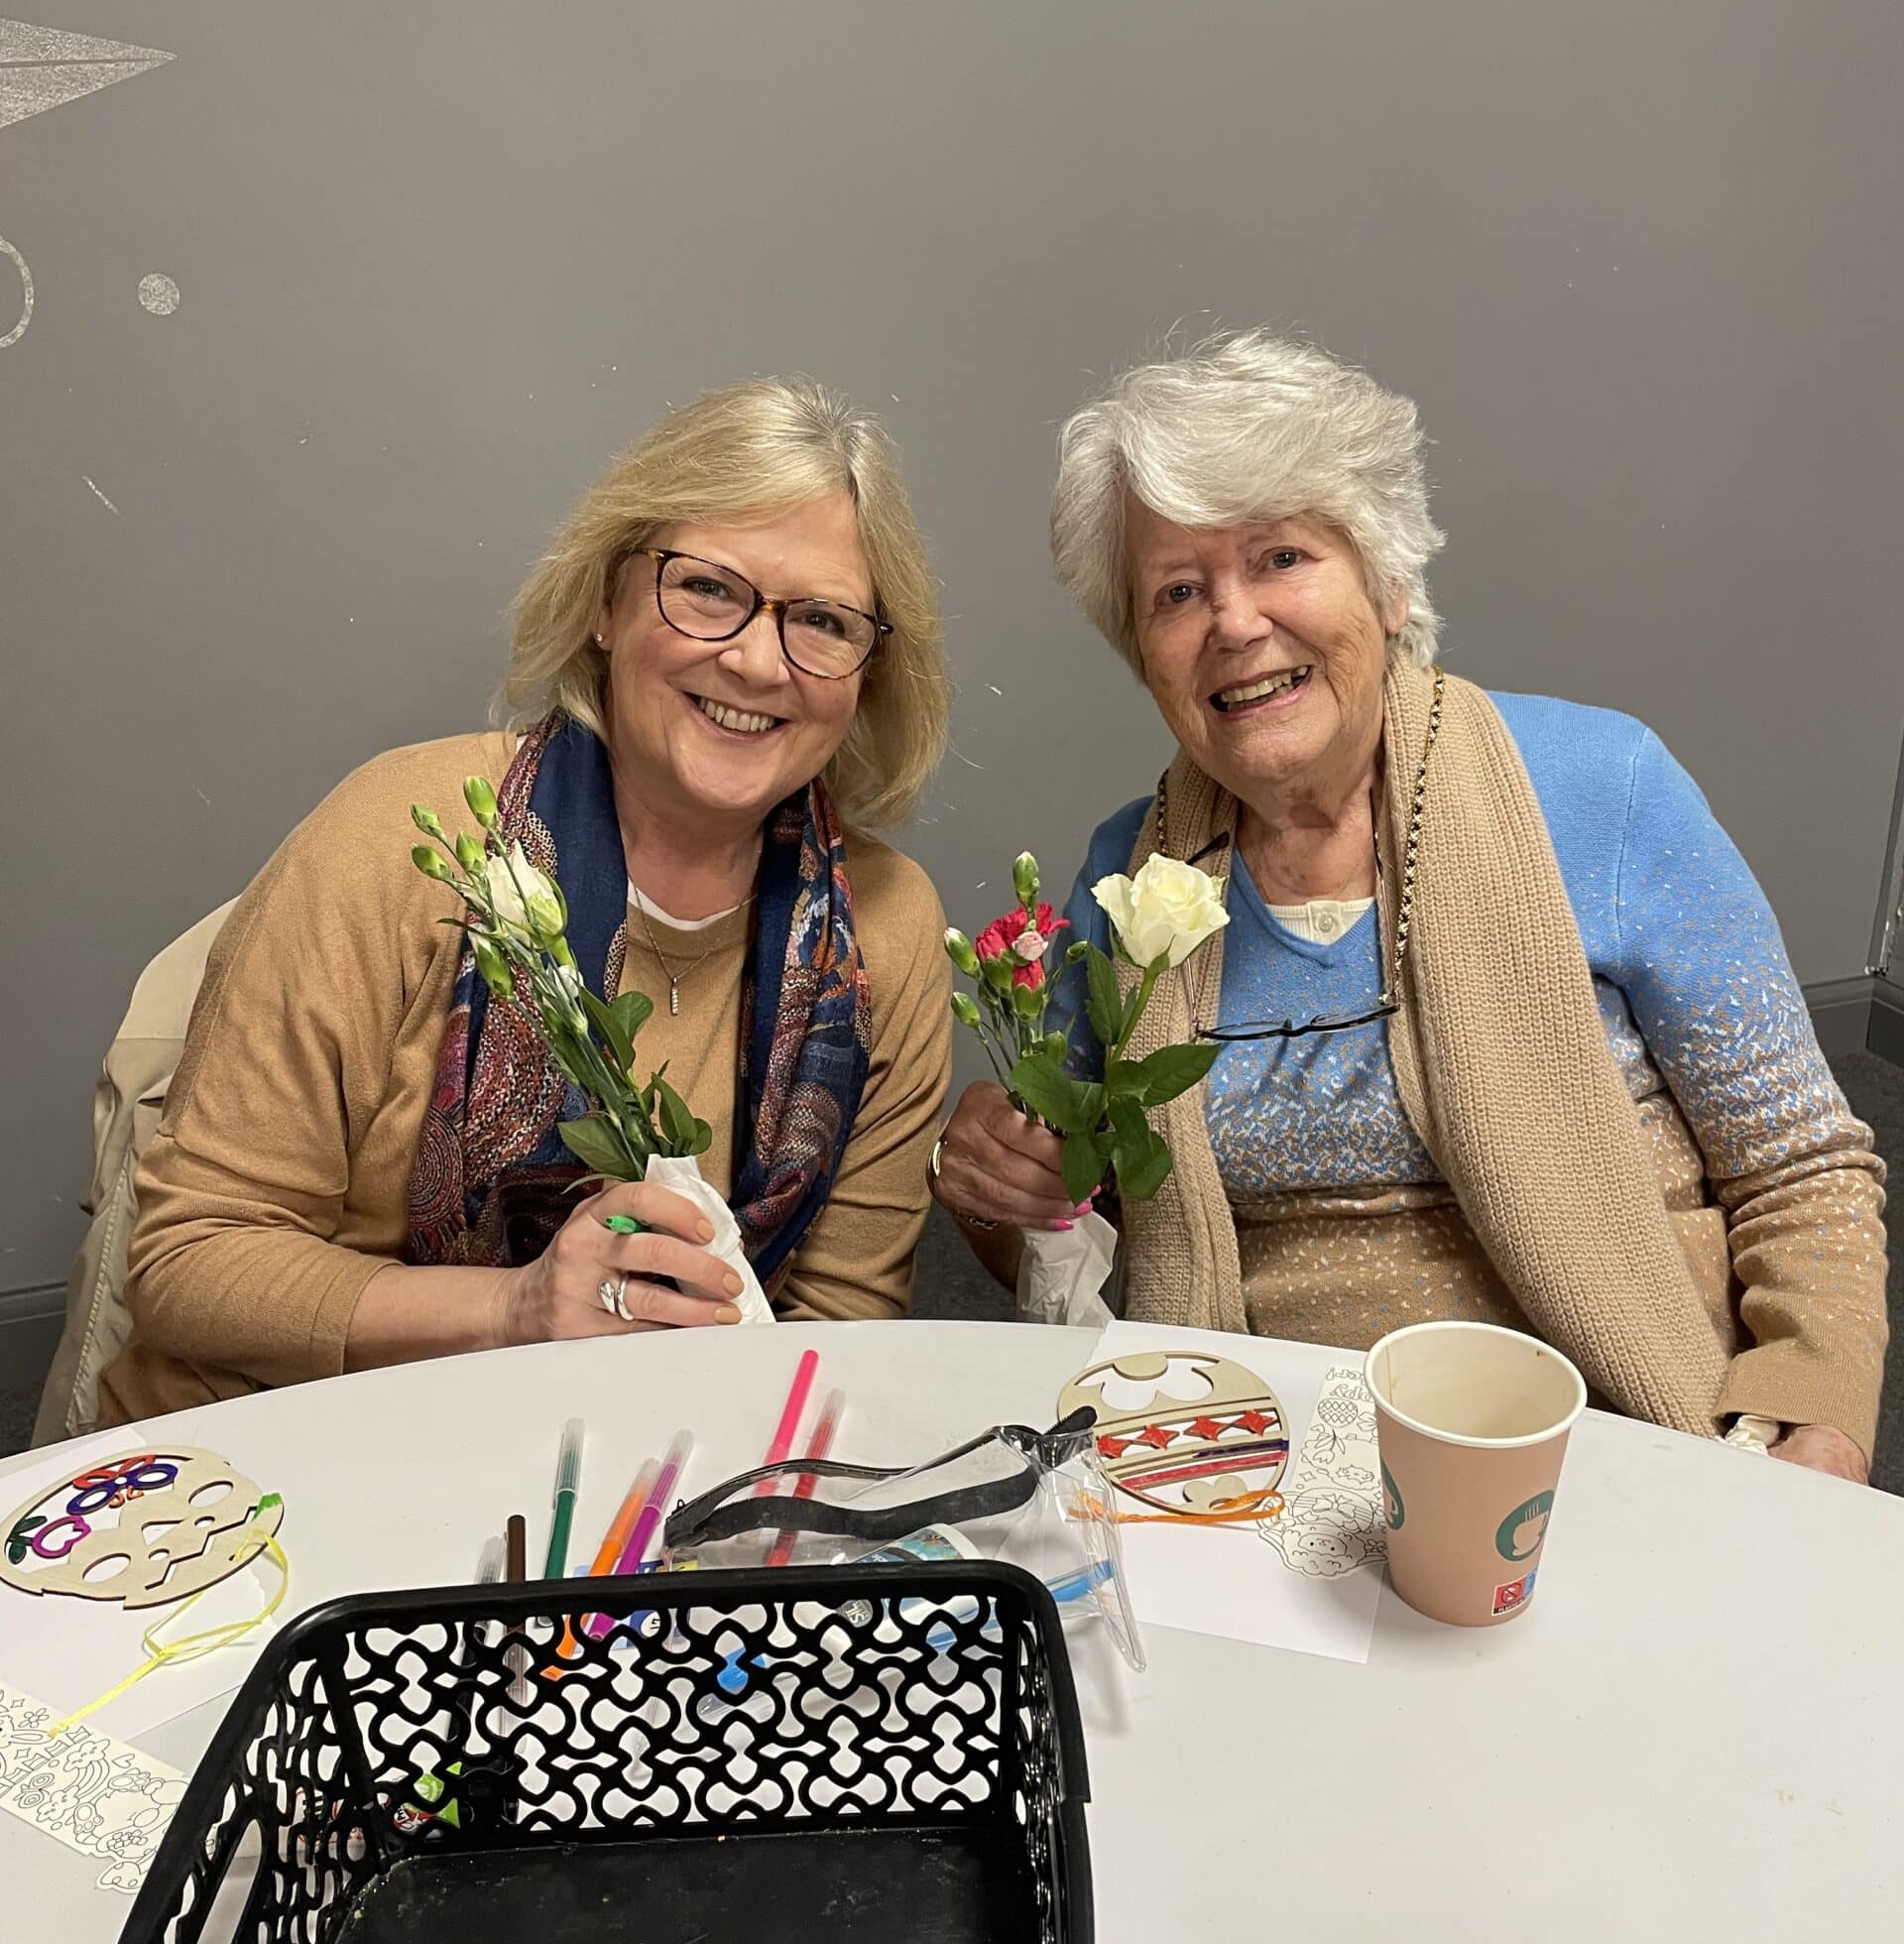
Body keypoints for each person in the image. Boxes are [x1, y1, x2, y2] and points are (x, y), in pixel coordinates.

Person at [931, 331, 1886, 1480]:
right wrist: (1002, 1198)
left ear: (1387, 584)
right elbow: (1086, 1234)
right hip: (1270, 1471)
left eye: (1282, 557)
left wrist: (1815, 1415)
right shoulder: (1129, 884)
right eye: (1178, 591)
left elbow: (1801, 1167)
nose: (1235, 621)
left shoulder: (1603, 792)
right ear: (1144, 654)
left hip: (1623, 1447)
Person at [100, 376, 952, 1422]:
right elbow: (191, 1263)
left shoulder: (884, 927)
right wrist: (511, 1312)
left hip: (640, 1476)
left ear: (868, 668)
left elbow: (834, 1337)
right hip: (280, 1454)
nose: (755, 659)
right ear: (605, 601)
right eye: (708, 589)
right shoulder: (398, 842)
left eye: (820, 619)